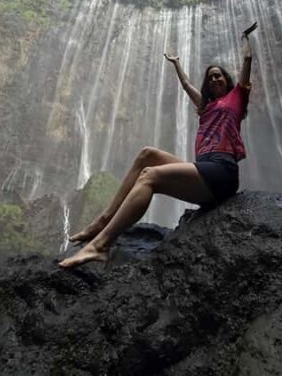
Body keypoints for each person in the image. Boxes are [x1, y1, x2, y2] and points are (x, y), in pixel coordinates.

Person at [59, 25, 256, 268]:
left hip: (222, 171)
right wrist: (176, 63)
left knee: (149, 176)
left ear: (227, 81)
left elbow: (247, 61)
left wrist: (245, 40)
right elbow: (186, 85)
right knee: (147, 154)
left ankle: (100, 246)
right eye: (210, 77)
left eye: (219, 75)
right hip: (205, 170)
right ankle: (102, 220)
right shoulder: (205, 107)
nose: (215, 78)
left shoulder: (237, 98)